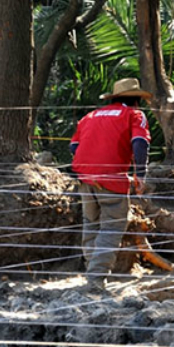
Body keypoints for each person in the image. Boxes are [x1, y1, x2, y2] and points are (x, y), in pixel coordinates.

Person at [70, 78, 152, 289]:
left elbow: (74, 147)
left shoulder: (90, 116)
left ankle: (91, 270)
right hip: (111, 177)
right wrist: (140, 175)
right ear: (136, 100)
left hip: (84, 177)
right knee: (112, 226)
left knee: (91, 224)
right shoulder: (134, 115)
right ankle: (96, 279)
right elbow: (140, 143)